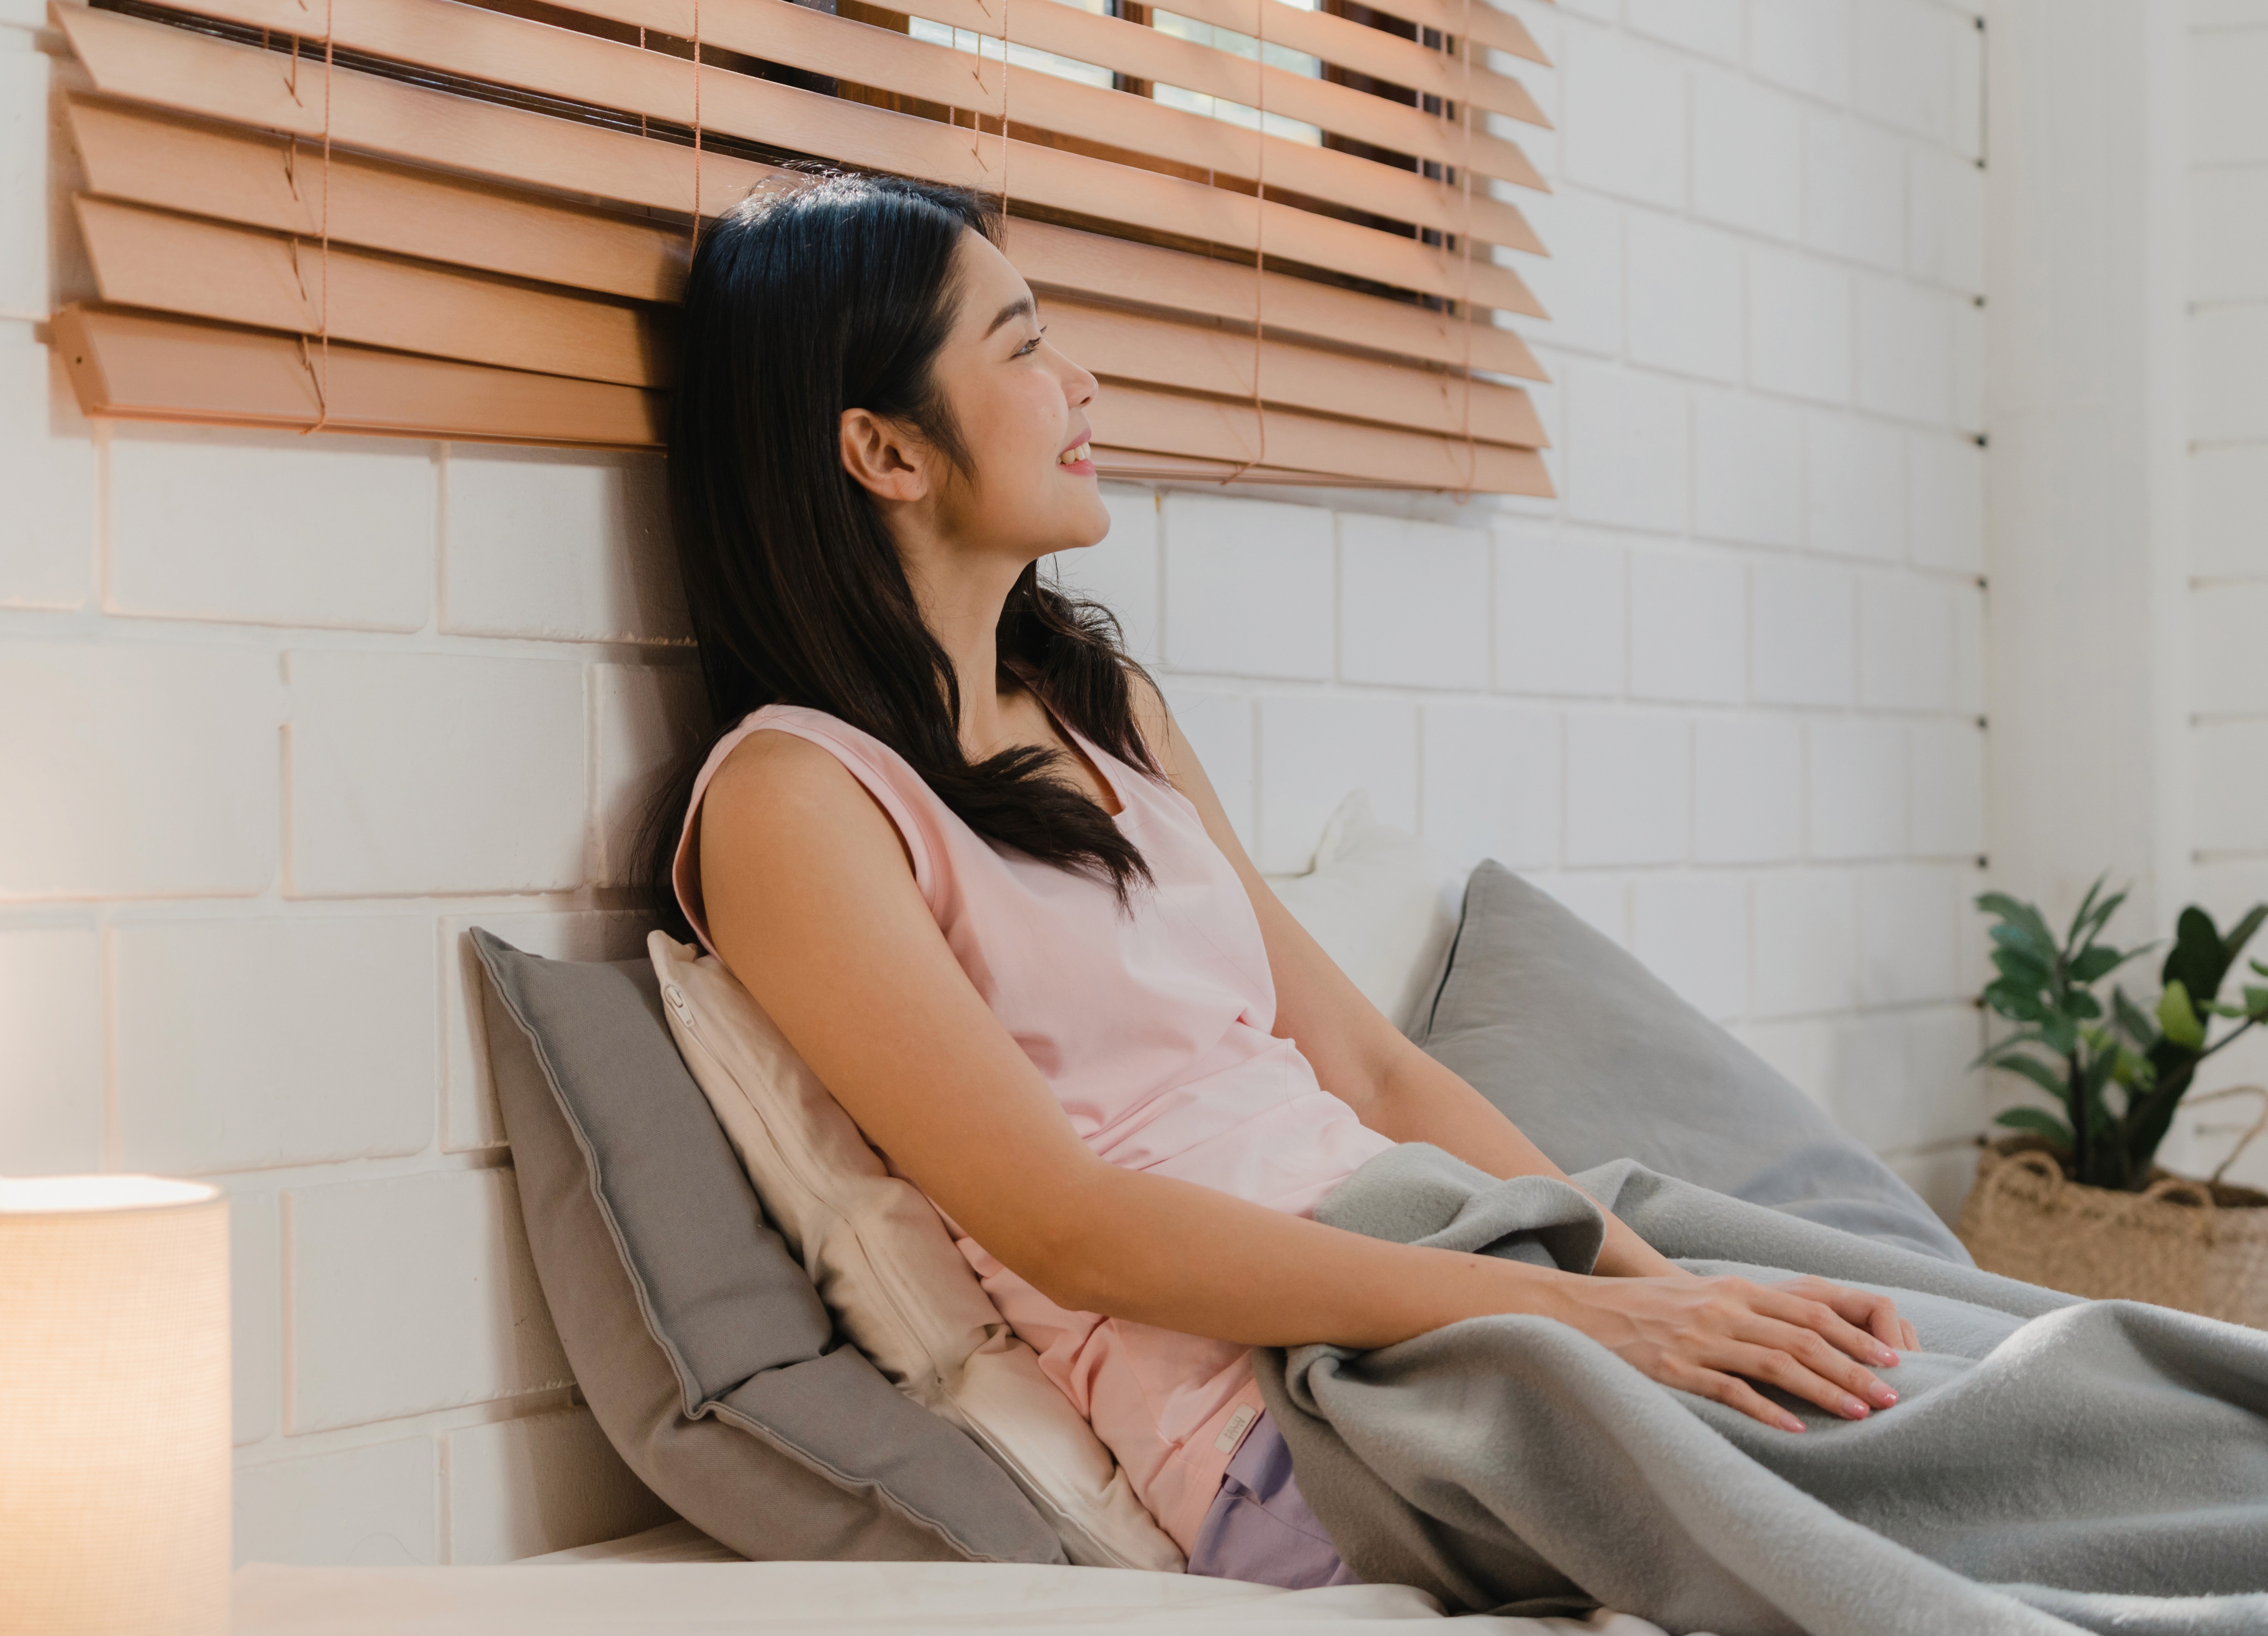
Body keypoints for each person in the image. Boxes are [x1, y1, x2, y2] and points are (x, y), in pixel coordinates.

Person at [644, 170, 1916, 1589]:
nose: (1081, 383)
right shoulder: (794, 801)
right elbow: (1074, 1229)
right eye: (1020, 346)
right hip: (1294, 1405)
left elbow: (1368, 1072)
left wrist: (1653, 1288)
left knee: (1960, 1372)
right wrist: (1581, 1325)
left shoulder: (1098, 705)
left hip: (1449, 1260)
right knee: (1901, 1495)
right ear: (885, 452)